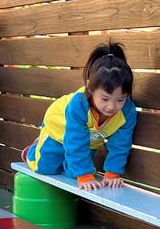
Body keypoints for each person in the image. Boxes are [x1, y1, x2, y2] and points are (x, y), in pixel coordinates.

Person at [24, 41, 136, 190]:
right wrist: (84, 176)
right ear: (90, 87)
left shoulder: (128, 112)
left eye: (120, 100)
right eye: (105, 99)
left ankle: (68, 158)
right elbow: (75, 139)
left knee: (73, 173)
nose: (111, 106)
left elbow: (121, 144)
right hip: (58, 131)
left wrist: (112, 173)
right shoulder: (79, 104)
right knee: (44, 168)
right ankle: (32, 150)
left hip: (87, 140)